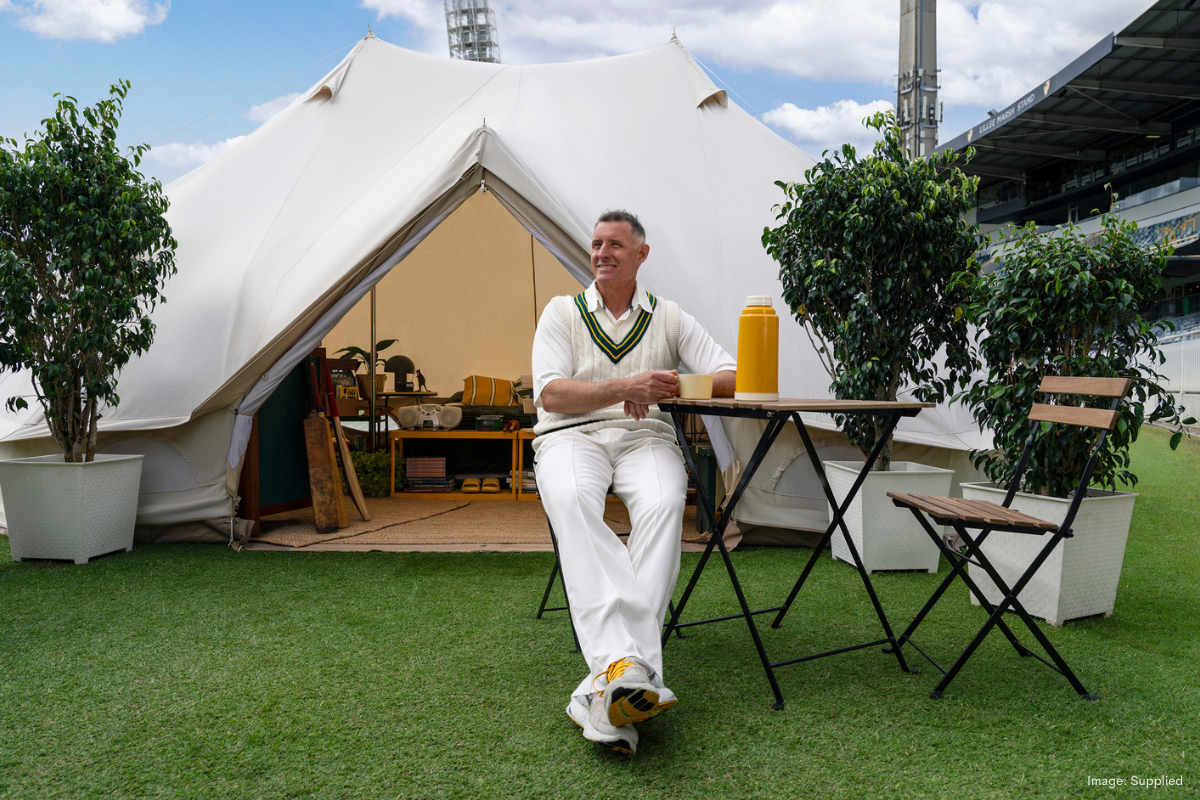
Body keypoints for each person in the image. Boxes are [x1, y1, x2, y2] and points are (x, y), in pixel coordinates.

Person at [531, 210, 736, 755]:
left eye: (615, 245)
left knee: (668, 501)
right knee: (572, 496)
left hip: (645, 436)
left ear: (641, 255)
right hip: (570, 436)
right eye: (596, 244)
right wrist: (625, 384)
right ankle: (629, 672)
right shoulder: (561, 312)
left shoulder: (668, 316)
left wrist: (665, 386)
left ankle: (609, 685)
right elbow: (550, 394)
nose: (601, 253)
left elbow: (732, 378)